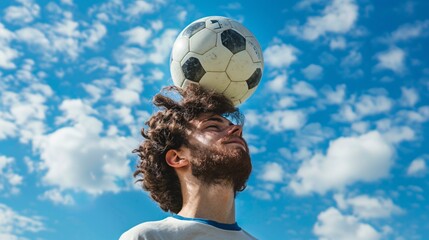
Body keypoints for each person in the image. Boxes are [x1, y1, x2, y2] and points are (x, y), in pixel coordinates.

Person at [119, 84, 256, 240]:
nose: (237, 129)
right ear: (177, 158)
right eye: (213, 126)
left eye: (235, 127)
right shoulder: (148, 236)